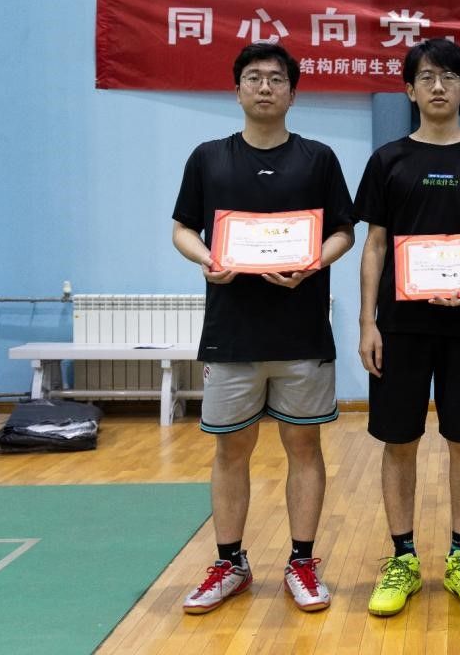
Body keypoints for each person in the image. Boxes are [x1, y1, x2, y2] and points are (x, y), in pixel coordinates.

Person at [171, 43, 355, 615]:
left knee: (304, 445)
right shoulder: (208, 158)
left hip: (301, 332)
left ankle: (302, 561)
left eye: (277, 79)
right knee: (231, 449)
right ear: (237, 91)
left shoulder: (319, 158)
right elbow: (182, 228)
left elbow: (344, 231)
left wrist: (313, 263)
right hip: (232, 334)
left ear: (293, 94)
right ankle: (230, 562)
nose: (265, 87)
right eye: (254, 78)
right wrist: (206, 258)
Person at [353, 38, 460, 616]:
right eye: (426, 77)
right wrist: (367, 322)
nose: (437, 86)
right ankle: (402, 558)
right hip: (400, 327)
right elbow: (375, 245)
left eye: (449, 77)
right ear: (409, 90)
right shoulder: (388, 160)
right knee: (398, 440)